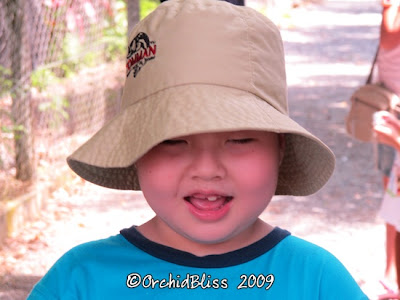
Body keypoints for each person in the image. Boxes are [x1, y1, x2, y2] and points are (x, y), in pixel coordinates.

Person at [28, 0, 367, 298]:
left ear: (280, 147)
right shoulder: (80, 280)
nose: (206, 168)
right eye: (172, 140)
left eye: (239, 140)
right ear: (135, 148)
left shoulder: (317, 280)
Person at [373, 0, 400, 298]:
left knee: (394, 198)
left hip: (396, 113)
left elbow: (389, 37)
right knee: (393, 198)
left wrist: (387, 7)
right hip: (392, 107)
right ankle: (392, 272)